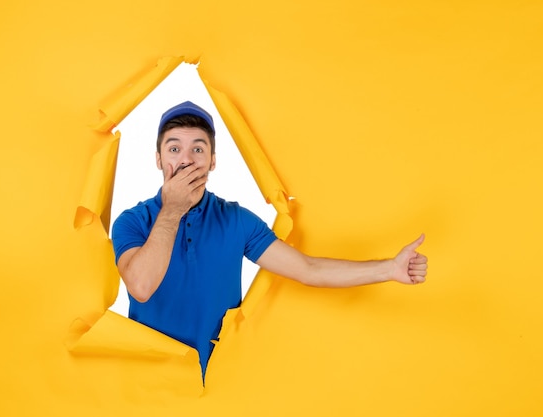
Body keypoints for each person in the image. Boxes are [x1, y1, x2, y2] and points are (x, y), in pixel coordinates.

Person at [111, 101, 428, 377]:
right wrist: (172, 211)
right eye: (174, 148)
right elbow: (140, 287)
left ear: (213, 161)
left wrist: (389, 268)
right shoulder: (132, 222)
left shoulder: (236, 220)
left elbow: (308, 269)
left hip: (220, 386)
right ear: (158, 159)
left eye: (198, 148)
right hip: (149, 388)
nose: (186, 160)